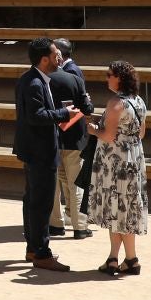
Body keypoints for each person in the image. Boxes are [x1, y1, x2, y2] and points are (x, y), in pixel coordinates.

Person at [14, 37, 75, 271]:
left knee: (33, 200)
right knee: (41, 203)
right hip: (40, 151)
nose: (58, 58)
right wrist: (63, 113)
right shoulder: (35, 83)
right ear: (44, 59)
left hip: (33, 149)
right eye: (54, 54)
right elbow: (36, 116)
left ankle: (33, 248)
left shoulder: (32, 79)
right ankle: (41, 252)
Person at [88, 60, 150, 276]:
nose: (107, 77)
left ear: (119, 78)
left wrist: (93, 130)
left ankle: (125, 259)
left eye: (109, 74)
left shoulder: (116, 102)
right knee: (125, 207)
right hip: (134, 157)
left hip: (115, 161)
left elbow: (107, 135)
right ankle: (120, 258)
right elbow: (141, 133)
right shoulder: (139, 101)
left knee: (117, 206)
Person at [49, 37, 94, 240]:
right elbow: (87, 108)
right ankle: (79, 227)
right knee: (74, 183)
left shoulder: (44, 79)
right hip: (73, 138)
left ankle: (56, 224)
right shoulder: (73, 78)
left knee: (57, 184)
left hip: (53, 137)